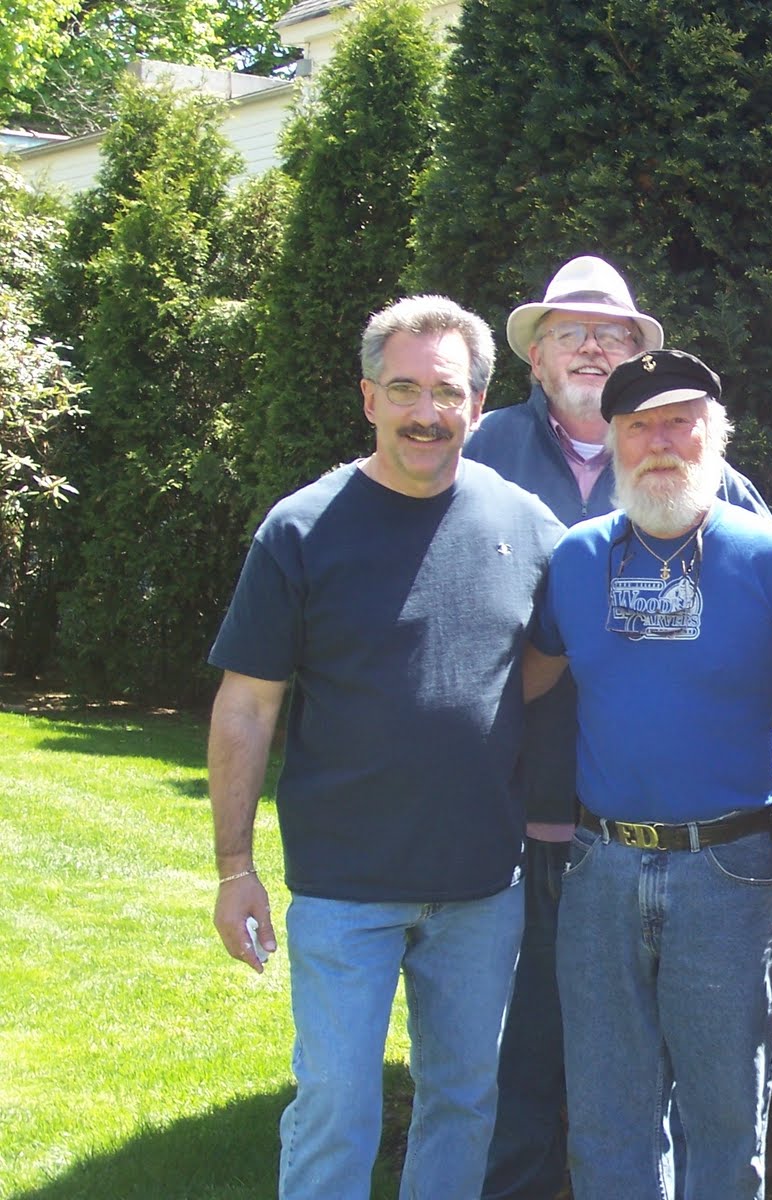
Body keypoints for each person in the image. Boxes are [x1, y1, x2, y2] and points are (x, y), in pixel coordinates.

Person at [207, 295, 566, 1199]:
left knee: (463, 1102)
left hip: (483, 884)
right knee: (335, 1106)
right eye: (402, 389)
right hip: (344, 887)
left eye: (446, 392)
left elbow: (545, 661)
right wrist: (232, 867)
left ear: (479, 406)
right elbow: (247, 705)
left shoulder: (527, 525)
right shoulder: (301, 528)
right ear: (368, 399)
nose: (424, 413)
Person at [468, 255, 769, 1200]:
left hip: (670, 836)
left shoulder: (718, 485)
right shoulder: (477, 457)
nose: (592, 346)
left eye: (612, 334)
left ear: (642, 354)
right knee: (524, 1054)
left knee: (690, 1069)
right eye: (571, 332)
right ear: (538, 355)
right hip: (518, 817)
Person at [522, 348, 772, 1200]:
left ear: (715, 436)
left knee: (726, 1125)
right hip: (600, 867)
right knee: (608, 1121)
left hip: (729, 873)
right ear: (613, 442)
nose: (658, 443)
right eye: (637, 427)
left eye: (678, 423)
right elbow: (516, 683)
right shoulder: (578, 561)